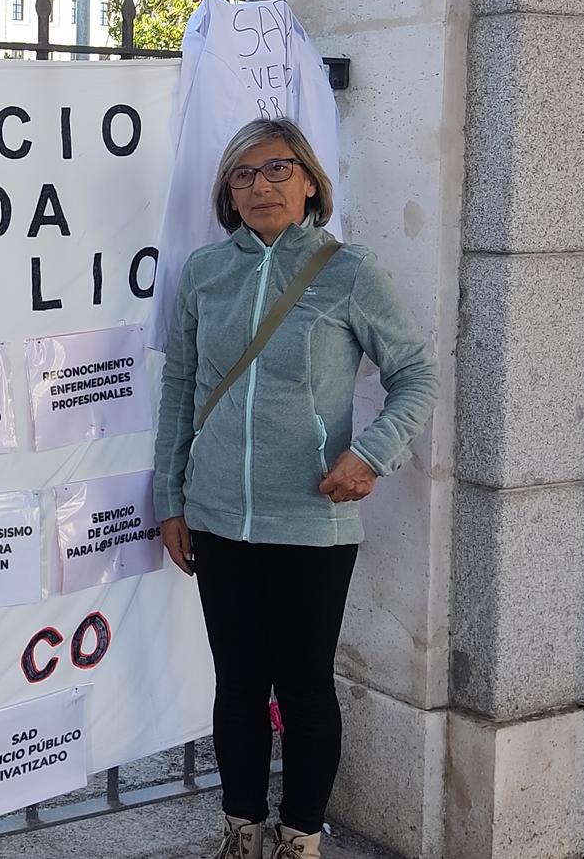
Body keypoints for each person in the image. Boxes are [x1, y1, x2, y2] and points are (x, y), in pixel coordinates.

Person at [153, 118, 438, 859]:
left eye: (277, 168)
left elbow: (416, 374)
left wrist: (370, 454)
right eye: (243, 174)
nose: (261, 186)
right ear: (228, 192)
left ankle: (301, 837)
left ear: (310, 181)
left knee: (305, 686)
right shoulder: (205, 273)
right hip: (218, 517)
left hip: (313, 518)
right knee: (238, 684)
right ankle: (242, 831)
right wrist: (171, 499)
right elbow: (180, 388)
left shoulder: (349, 272)